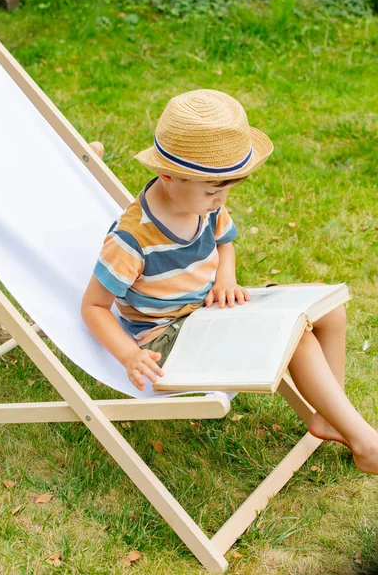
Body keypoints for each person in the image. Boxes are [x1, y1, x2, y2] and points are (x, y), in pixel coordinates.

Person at [81, 89, 378, 475]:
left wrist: (226, 277)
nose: (221, 199)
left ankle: (327, 415)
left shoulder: (204, 204)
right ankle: (366, 444)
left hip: (209, 309)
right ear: (167, 175)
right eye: (212, 189)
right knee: (297, 334)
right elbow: (94, 306)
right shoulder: (132, 240)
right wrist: (129, 356)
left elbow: (225, 243)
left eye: (227, 188)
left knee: (329, 310)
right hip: (169, 338)